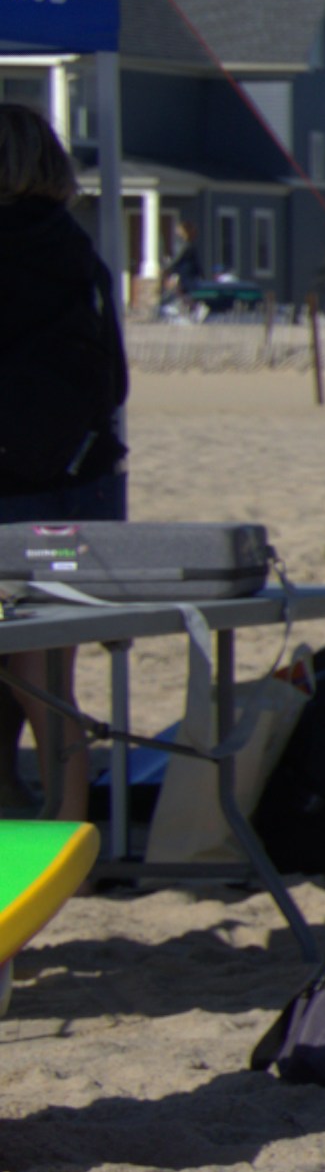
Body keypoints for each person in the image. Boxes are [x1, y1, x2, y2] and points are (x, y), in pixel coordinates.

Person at [0, 106, 128, 819]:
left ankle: (65, 824)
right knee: (42, 673)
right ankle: (59, 815)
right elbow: (112, 381)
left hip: (18, 489)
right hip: (85, 484)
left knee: (32, 674)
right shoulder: (76, 251)